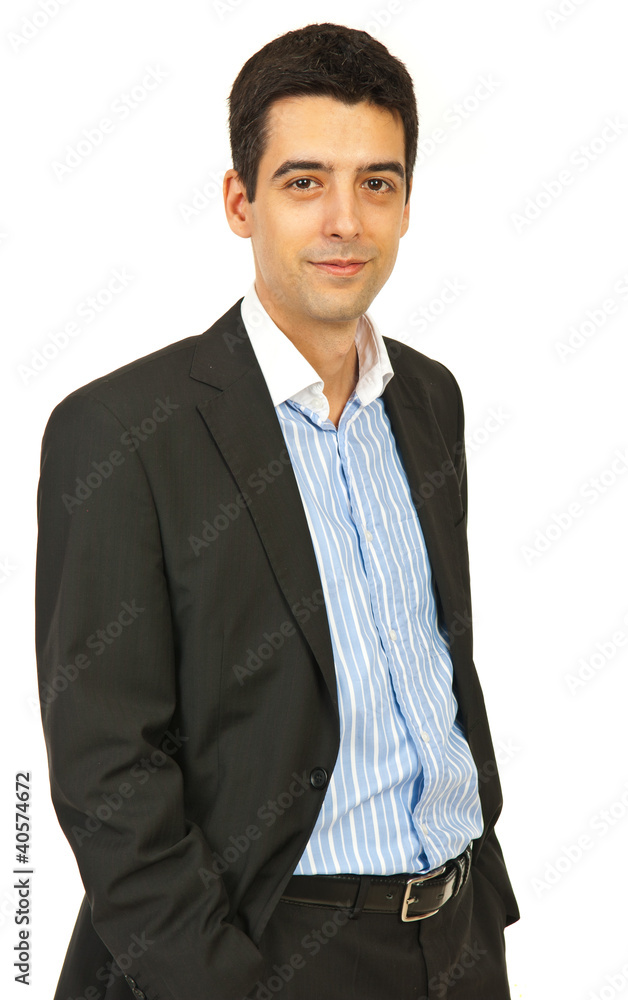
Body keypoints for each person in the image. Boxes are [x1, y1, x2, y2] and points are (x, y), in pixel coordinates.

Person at [35, 22, 519, 1000]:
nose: (345, 219)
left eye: (375, 182)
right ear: (239, 201)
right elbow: (108, 769)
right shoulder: (123, 433)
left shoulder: (430, 400)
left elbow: (438, 661)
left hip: (460, 935)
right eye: (305, 182)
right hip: (272, 945)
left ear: (405, 205)